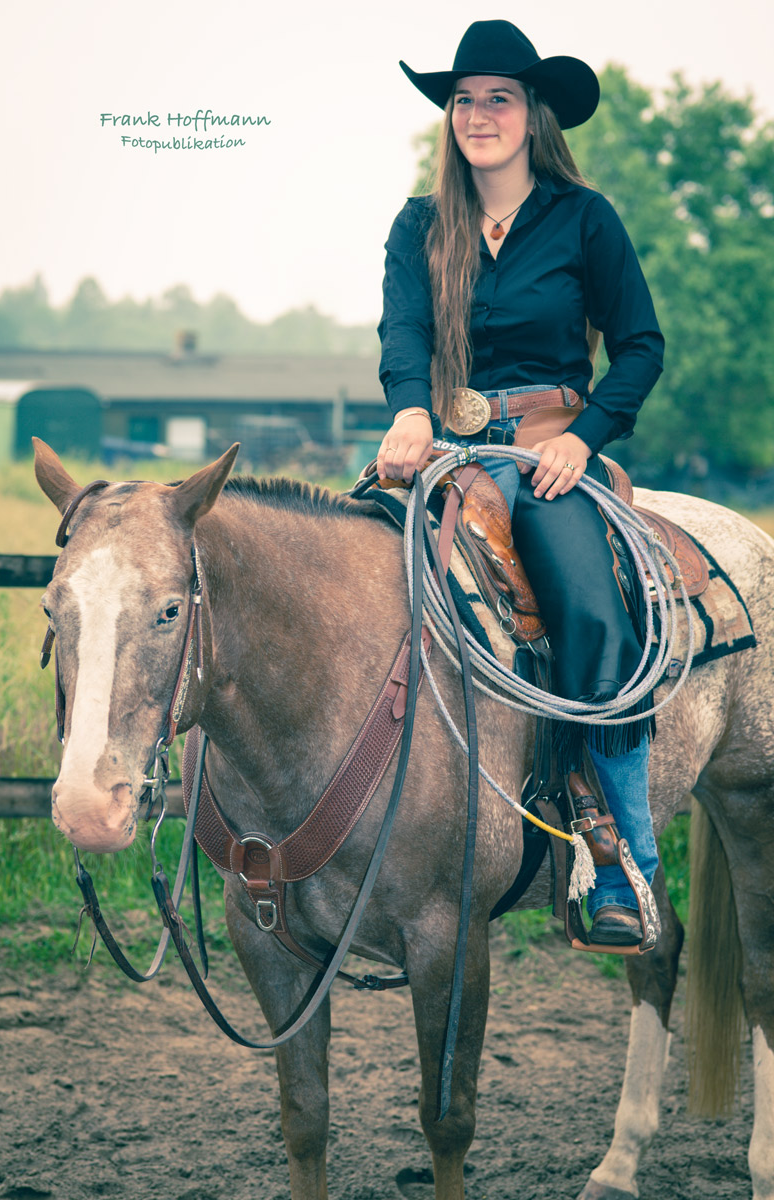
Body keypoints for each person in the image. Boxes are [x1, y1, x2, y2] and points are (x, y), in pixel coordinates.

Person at [376, 19, 665, 947]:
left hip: (549, 448)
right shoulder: (420, 225)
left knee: (587, 608)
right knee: (350, 567)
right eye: (464, 99)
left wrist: (584, 437)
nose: (478, 114)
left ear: (534, 114)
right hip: (444, 444)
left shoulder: (585, 217)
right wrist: (409, 411)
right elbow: (406, 337)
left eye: (498, 97)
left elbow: (640, 347)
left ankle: (621, 861)